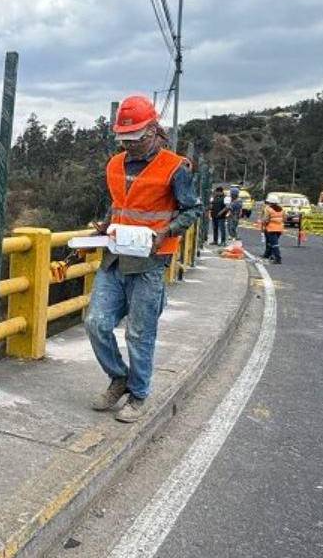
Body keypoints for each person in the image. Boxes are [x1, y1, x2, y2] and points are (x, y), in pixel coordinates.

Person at [85, 95, 204, 423]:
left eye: (136, 137)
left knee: (139, 332)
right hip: (114, 257)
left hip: (150, 262)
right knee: (96, 323)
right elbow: (120, 204)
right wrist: (105, 225)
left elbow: (193, 208)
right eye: (124, 138)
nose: (130, 144)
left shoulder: (175, 167)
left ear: (154, 130)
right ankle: (119, 377)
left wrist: (167, 231)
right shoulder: (114, 164)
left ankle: (138, 395)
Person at [260, 199, 284, 264]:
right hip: (279, 229)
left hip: (271, 228)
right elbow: (284, 218)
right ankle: (268, 255)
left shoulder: (269, 209)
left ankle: (278, 258)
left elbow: (266, 219)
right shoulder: (281, 209)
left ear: (270, 202)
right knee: (271, 243)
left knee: (274, 244)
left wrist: (264, 225)